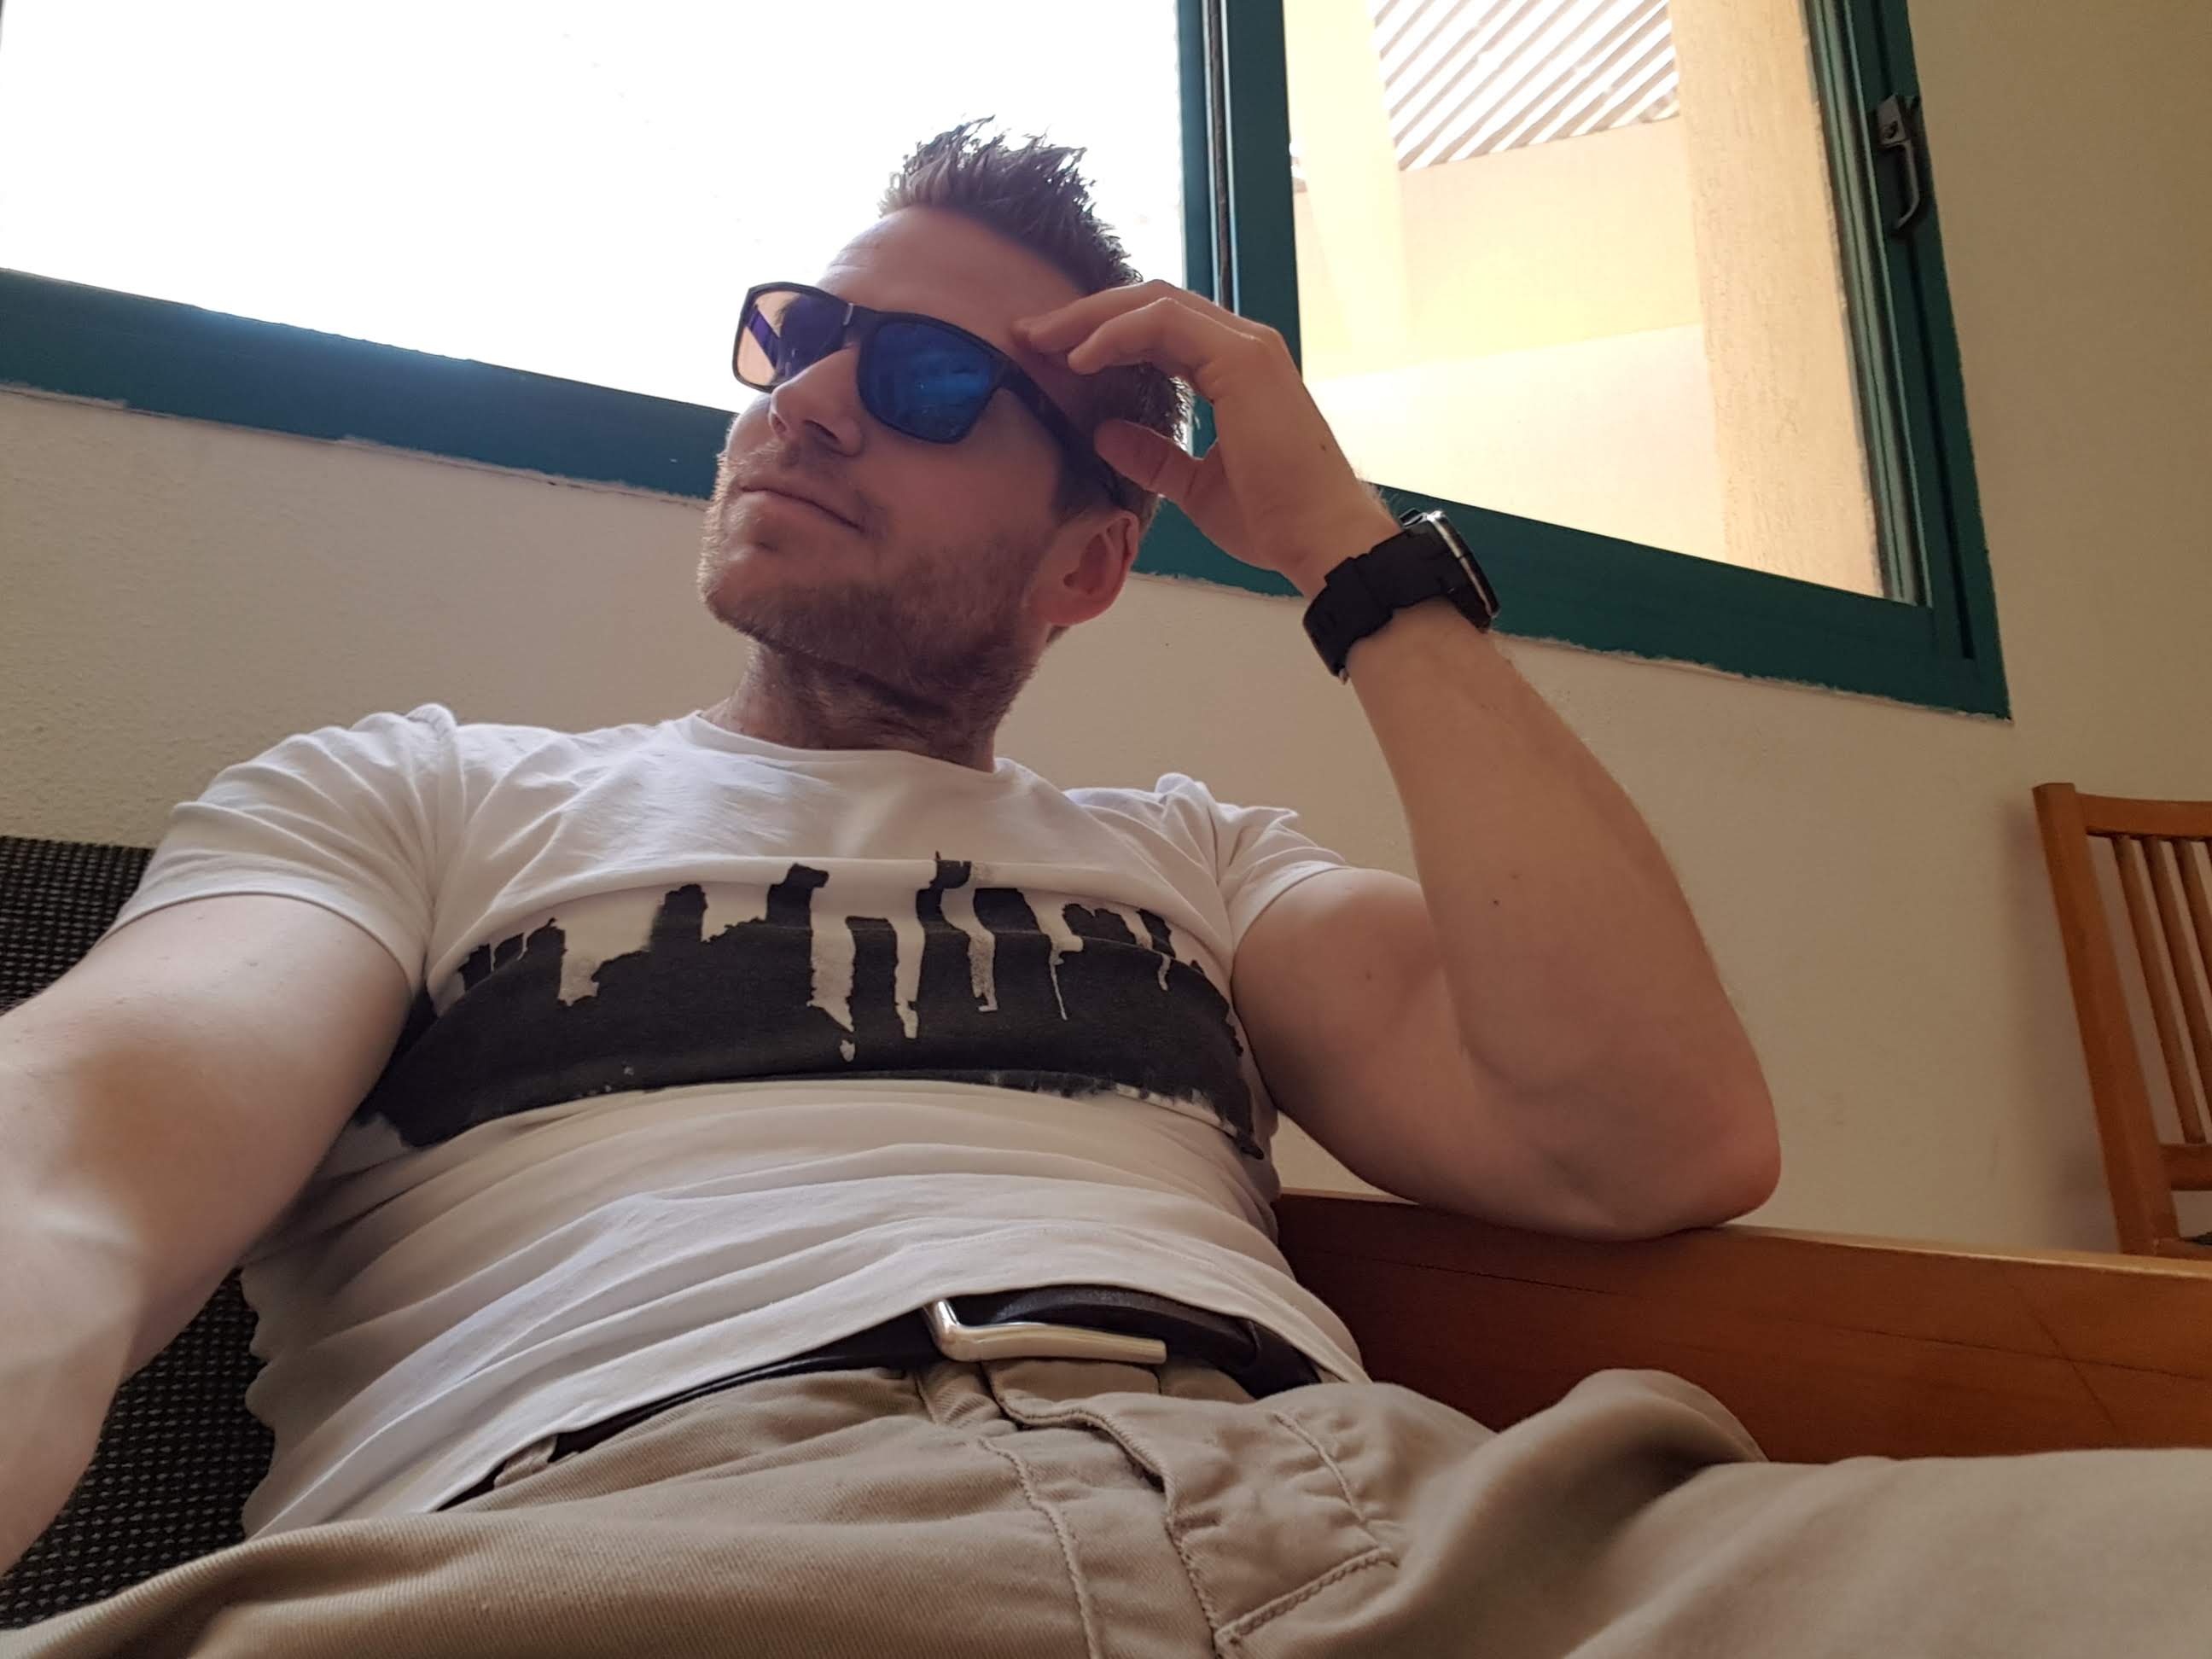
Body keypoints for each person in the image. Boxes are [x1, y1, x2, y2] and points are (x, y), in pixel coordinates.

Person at [0, 121, 2203, 1658]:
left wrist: (1353, 553)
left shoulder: (1191, 864)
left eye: (926, 379)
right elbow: (71, 1171)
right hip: (624, 1545)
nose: (816, 402)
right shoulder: (415, 803)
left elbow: (1656, 1137)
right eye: (802, 334)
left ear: (1087, 562)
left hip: (1375, 1531)